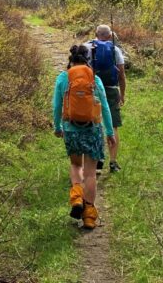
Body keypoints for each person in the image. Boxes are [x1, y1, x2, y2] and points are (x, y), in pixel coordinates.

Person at [53, 44, 116, 230]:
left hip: (70, 129)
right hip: (93, 130)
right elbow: (104, 106)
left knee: (76, 165)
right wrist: (110, 132)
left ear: (70, 60)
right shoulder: (94, 79)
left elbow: (57, 106)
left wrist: (57, 127)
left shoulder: (63, 78)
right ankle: (89, 217)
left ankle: (76, 197)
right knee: (90, 173)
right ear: (88, 60)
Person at [88, 24, 126, 173]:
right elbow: (121, 75)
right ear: (110, 36)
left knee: (92, 124)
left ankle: (96, 160)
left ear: (95, 34)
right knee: (113, 125)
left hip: (91, 89)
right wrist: (122, 94)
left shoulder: (86, 47)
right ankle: (113, 162)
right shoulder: (115, 49)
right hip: (110, 89)